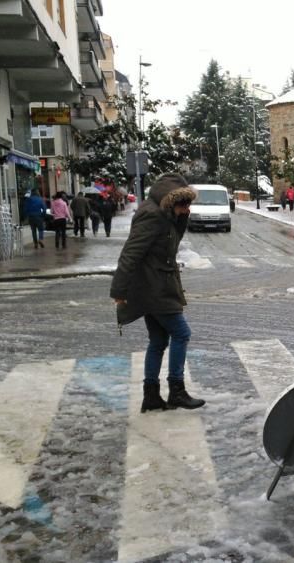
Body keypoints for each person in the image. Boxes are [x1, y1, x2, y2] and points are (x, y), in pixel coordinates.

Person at [111, 173, 206, 413]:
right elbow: (130, 254)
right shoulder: (152, 216)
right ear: (169, 201)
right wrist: (119, 291)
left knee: (159, 340)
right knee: (181, 333)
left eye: (188, 205)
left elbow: (170, 243)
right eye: (183, 205)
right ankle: (176, 391)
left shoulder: (165, 215)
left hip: (156, 285)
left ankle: (151, 395)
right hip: (155, 288)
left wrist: (181, 218)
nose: (186, 210)